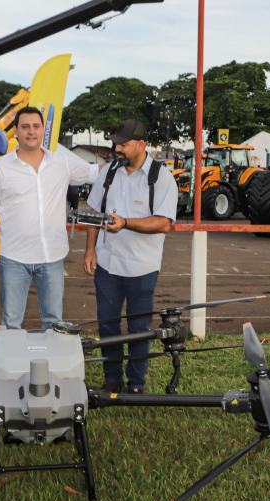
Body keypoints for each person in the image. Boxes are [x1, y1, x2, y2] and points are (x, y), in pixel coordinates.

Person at [0, 106, 96, 329]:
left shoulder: (61, 162)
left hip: (52, 257)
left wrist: (128, 159)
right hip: (14, 259)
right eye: (25, 127)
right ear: (16, 131)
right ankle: (13, 365)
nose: (31, 132)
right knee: (11, 323)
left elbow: (96, 173)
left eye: (36, 126)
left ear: (43, 129)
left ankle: (50, 365)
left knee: (54, 323)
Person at [83, 119, 177, 394]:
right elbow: (92, 211)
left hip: (142, 267)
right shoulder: (109, 171)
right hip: (108, 264)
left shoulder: (160, 176)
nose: (118, 149)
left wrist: (126, 223)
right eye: (116, 144)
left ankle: (136, 384)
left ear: (141, 144)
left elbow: (164, 223)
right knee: (108, 326)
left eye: (123, 144)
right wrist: (90, 249)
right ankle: (112, 380)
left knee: (139, 329)